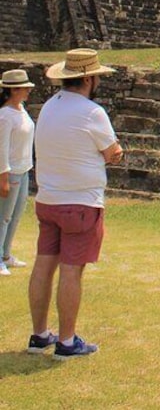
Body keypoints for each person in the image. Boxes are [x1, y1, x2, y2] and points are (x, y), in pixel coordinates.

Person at [28, 49, 123, 360]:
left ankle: (40, 333)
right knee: (72, 270)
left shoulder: (48, 108)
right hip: (80, 200)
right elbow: (111, 152)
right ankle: (67, 341)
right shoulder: (92, 112)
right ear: (87, 79)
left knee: (44, 264)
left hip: (48, 197)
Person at [0, 70, 36, 276]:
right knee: (3, 216)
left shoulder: (21, 109)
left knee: (15, 215)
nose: (28, 91)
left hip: (24, 170)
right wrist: (3, 177)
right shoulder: (5, 115)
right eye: (24, 88)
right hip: (10, 172)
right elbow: (2, 149)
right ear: (14, 90)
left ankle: (6, 254)